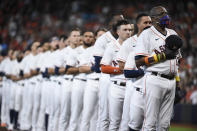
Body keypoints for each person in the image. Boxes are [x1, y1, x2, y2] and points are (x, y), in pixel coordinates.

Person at [134, 6, 181, 131]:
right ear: (154, 18)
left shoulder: (173, 33)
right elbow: (138, 62)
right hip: (154, 79)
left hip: (171, 82)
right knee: (150, 122)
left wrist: (178, 84)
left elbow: (177, 62)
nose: (166, 16)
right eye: (162, 14)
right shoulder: (147, 34)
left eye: (166, 13)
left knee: (165, 125)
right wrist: (162, 56)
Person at [117, 13, 152, 131]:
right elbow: (122, 66)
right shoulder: (129, 42)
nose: (148, 25)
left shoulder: (155, 41)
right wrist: (145, 71)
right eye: (145, 22)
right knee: (127, 120)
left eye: (150, 22)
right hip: (133, 85)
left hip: (151, 86)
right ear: (138, 25)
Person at [92, 14, 124, 131]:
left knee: (121, 117)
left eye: (122, 20)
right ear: (111, 24)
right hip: (107, 78)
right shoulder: (103, 39)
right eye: (117, 21)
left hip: (123, 79)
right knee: (104, 114)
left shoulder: (127, 38)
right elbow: (97, 65)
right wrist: (117, 68)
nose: (120, 22)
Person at [100, 19, 132, 130]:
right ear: (118, 32)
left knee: (127, 122)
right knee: (114, 122)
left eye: (130, 29)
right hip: (116, 86)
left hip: (131, 86)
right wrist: (120, 70)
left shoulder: (135, 45)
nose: (128, 32)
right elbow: (103, 68)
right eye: (125, 29)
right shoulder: (111, 46)